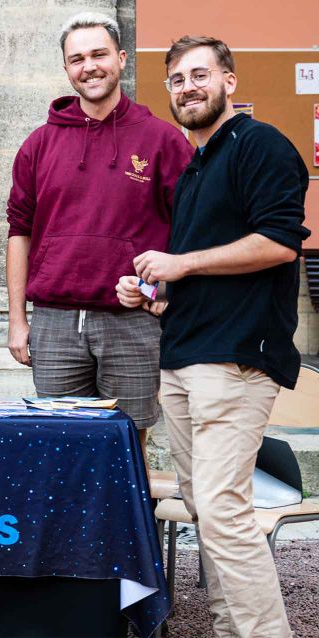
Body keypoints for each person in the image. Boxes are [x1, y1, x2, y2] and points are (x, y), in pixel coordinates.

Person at [117, 36, 308, 637]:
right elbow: (206, 269)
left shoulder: (261, 145)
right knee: (207, 512)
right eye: (176, 79)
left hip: (235, 361)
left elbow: (279, 242)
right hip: (184, 357)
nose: (187, 87)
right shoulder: (196, 167)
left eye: (200, 74)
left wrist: (182, 265)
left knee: (223, 514)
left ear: (230, 81)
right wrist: (157, 296)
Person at [5, 11, 193, 457]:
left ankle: (127, 529)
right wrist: (17, 320)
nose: (89, 66)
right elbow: (19, 231)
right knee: (57, 448)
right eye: (77, 59)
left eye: (99, 54)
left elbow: (191, 228)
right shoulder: (38, 144)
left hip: (133, 321)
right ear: (67, 69)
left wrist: (165, 294)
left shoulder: (163, 141)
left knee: (128, 445)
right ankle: (65, 529)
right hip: (54, 321)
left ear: (122, 59)